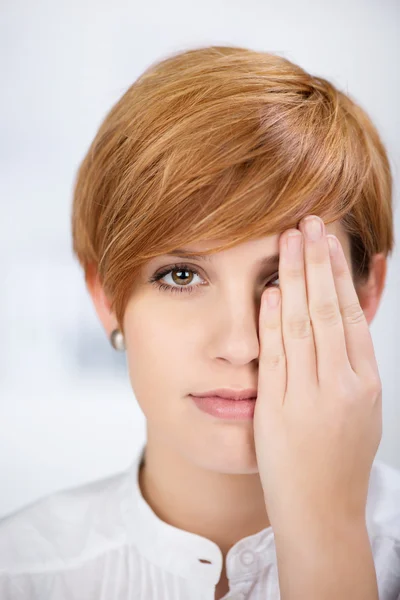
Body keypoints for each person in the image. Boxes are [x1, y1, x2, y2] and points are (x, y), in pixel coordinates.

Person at [0, 45, 399, 600]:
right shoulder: (18, 575)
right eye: (181, 275)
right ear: (106, 297)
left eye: (282, 278)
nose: (239, 346)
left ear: (368, 289)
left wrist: (327, 532)